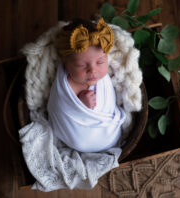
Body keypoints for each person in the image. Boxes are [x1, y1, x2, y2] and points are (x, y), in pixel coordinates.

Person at [47, 18, 126, 153]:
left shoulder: (104, 76)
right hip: (79, 137)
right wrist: (81, 105)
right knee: (80, 141)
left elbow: (112, 100)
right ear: (65, 62)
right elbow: (59, 108)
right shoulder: (66, 85)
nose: (93, 71)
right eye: (81, 65)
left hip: (109, 129)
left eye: (100, 62)